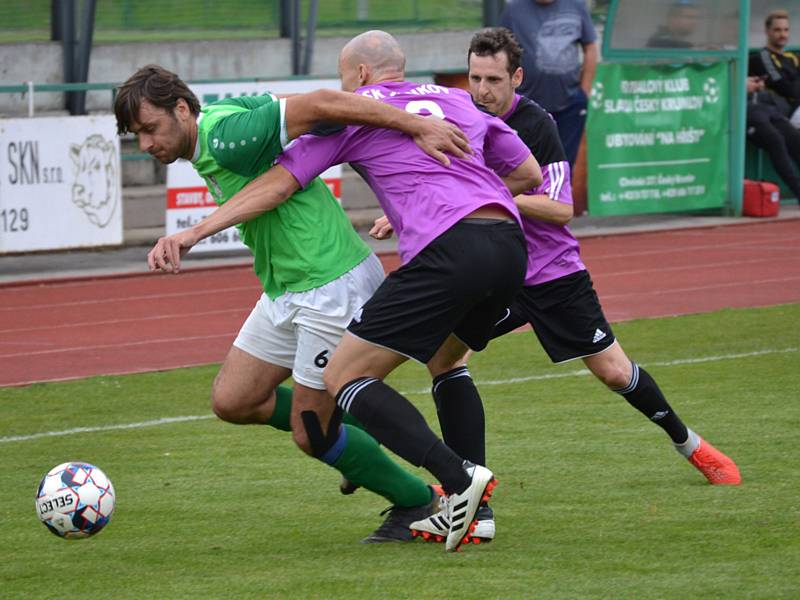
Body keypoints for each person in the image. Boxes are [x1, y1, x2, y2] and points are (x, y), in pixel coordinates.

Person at [146, 31, 542, 552]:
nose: (146, 143)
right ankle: (476, 512)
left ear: (358, 76)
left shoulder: (358, 111)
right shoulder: (453, 100)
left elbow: (285, 176)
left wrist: (195, 232)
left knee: (344, 379)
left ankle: (452, 480)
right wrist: (466, 190)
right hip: (509, 245)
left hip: (423, 257)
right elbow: (527, 172)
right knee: (446, 363)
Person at [384, 27, 740, 544]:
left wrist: (485, 197)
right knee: (444, 357)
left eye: (493, 79)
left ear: (517, 77)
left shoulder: (535, 124)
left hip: (551, 275)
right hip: (491, 274)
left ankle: (692, 446)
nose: (481, 90)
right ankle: (472, 501)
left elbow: (560, 209)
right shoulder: (457, 113)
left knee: (615, 372)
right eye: (475, 77)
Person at [500, 0, 598, 167]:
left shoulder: (577, 5)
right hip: (527, 107)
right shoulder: (513, 9)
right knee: (527, 168)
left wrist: (585, 90)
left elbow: (590, 47)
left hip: (570, 106)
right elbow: (501, 51)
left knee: (563, 167)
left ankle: (559, 194)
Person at [746, 74, 800, 203]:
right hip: (742, 110)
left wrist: (751, 82)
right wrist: (741, 86)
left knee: (795, 139)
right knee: (776, 140)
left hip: (765, 107)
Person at [749, 10, 800, 121]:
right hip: (784, 111)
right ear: (767, 31)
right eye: (777, 30)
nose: (783, 35)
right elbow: (785, 88)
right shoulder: (762, 57)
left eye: (786, 30)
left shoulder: (792, 57)